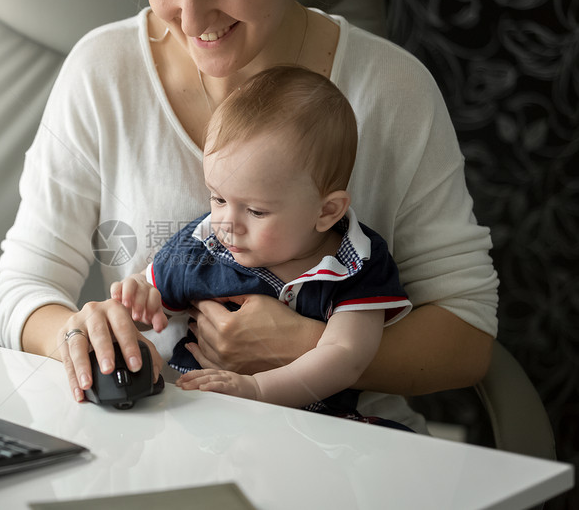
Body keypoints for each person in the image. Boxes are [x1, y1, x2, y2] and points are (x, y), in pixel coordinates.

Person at [0, 0, 499, 433]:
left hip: (351, 442)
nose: (190, 19)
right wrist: (88, 336)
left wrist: (307, 347)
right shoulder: (101, 71)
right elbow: (23, 285)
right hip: (172, 433)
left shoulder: (393, 88)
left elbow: (467, 330)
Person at [112, 65, 413, 429]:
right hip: (202, 417)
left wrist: (256, 389)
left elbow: (346, 356)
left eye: (255, 210)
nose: (227, 222)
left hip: (317, 430)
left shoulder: (357, 263)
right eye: (218, 198)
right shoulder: (202, 245)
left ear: (327, 211)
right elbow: (148, 306)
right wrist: (138, 297)